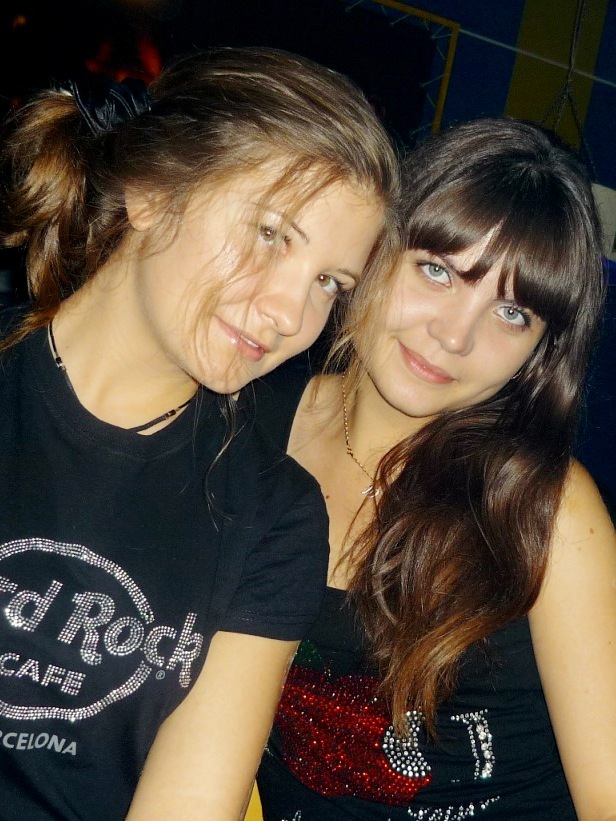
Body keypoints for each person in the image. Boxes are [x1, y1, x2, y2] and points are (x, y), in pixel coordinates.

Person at [0, 47, 400, 820]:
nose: (291, 313)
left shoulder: (273, 517)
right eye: (271, 234)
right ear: (153, 190)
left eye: (330, 283)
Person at [255, 118, 616, 819]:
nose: (454, 335)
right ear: (377, 248)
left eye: (511, 312)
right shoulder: (245, 427)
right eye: (437, 271)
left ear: (540, 352)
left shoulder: (549, 511)